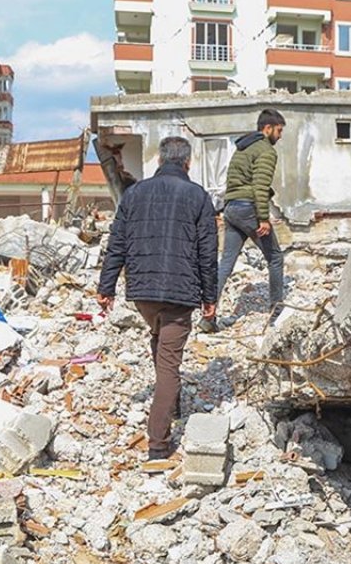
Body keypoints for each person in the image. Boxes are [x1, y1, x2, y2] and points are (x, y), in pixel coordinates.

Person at [96, 136, 217, 460]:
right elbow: (207, 252)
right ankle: (158, 445)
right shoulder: (198, 196)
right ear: (187, 163)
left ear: (159, 161)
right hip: (180, 295)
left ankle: (172, 402)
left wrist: (106, 288)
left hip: (143, 294)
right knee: (169, 367)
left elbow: (116, 243)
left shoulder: (134, 193)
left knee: (158, 338)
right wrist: (210, 297)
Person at [202, 109, 286, 331]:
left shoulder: (243, 147)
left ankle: (207, 318)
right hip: (248, 208)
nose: (280, 136)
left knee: (226, 263)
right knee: (276, 258)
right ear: (267, 129)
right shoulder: (266, 151)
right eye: (279, 130)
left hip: (231, 208)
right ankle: (277, 314)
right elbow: (259, 187)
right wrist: (263, 218)